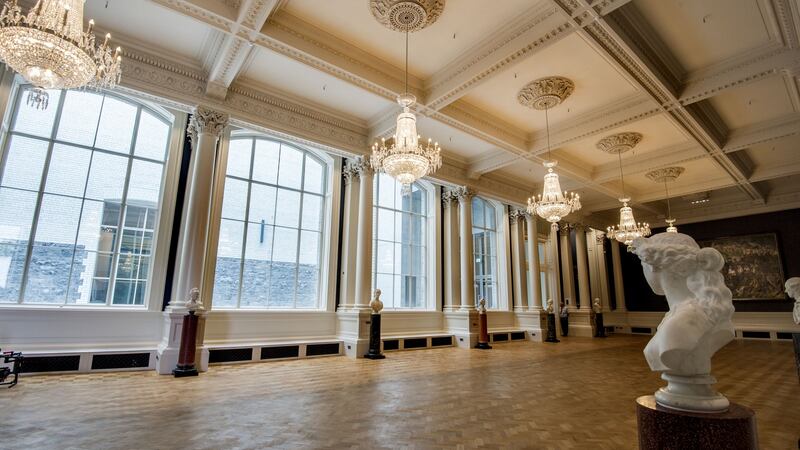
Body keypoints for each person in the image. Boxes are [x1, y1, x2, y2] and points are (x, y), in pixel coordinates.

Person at [631, 232, 735, 412]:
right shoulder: (687, 315)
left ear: (654, 266)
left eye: (642, 265)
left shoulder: (683, 321)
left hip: (688, 399)